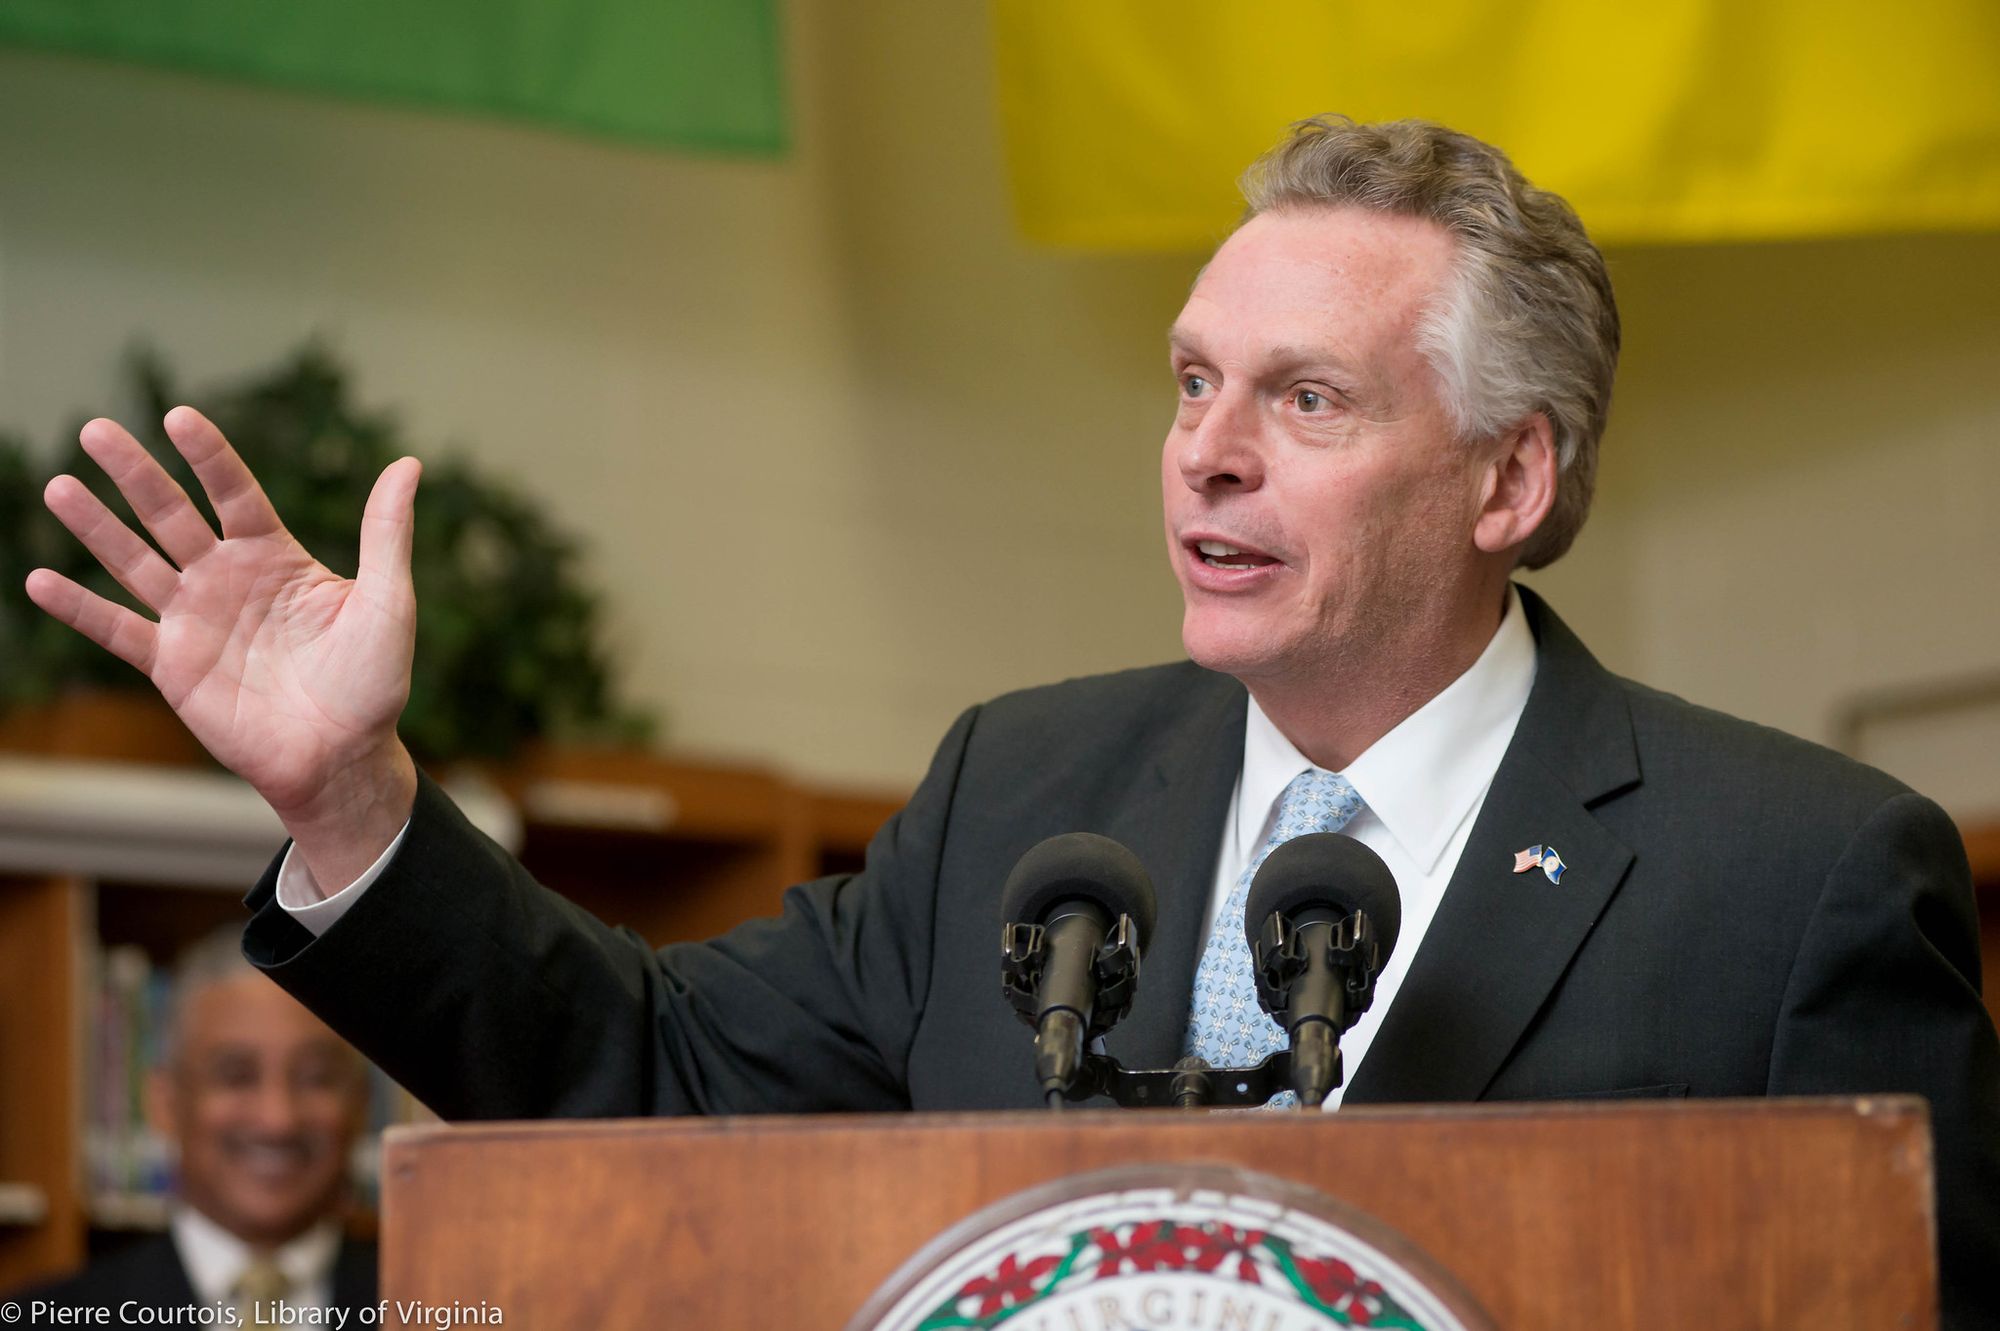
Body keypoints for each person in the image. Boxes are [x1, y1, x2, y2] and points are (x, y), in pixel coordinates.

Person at [23, 116, 1999, 1325]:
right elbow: (647, 1081)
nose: (1202, 456)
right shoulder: (1022, 791)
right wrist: (352, 793)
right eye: (1187, 382)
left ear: (1505, 479)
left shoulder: (1793, 876)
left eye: (1302, 400)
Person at [11, 930, 377, 1325]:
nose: (278, 1120)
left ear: (360, 1102)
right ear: (165, 1103)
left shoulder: (436, 1304)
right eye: (236, 1076)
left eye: (316, 1078)